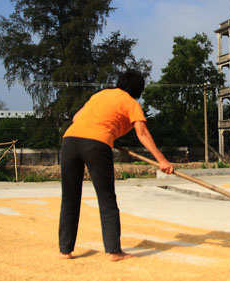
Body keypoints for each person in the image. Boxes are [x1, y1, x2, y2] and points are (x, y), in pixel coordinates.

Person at [58, 69, 173, 262]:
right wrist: (161, 160)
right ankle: (114, 251)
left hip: (69, 141)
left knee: (70, 198)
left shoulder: (100, 95)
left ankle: (65, 250)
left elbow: (76, 118)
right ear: (138, 90)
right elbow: (142, 133)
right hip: (96, 143)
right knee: (106, 198)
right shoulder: (131, 103)